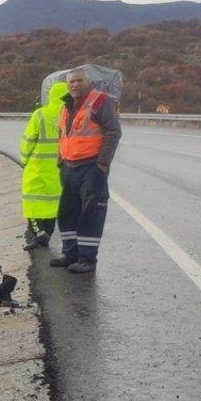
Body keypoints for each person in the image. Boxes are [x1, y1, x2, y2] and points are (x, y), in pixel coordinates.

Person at [50, 67, 121, 274]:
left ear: (87, 82)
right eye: (71, 81)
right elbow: (63, 134)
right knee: (67, 212)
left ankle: (87, 259)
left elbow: (113, 132)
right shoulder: (67, 105)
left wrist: (103, 163)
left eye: (79, 81)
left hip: (91, 167)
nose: (74, 84)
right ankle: (70, 253)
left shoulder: (100, 101)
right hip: (69, 168)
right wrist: (60, 159)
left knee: (91, 213)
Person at [19, 81, 67, 250]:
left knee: (31, 201)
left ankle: (39, 234)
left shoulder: (40, 114)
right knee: (52, 204)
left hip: (37, 167)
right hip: (59, 168)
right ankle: (48, 233)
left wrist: (24, 160)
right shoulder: (69, 114)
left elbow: (28, 140)